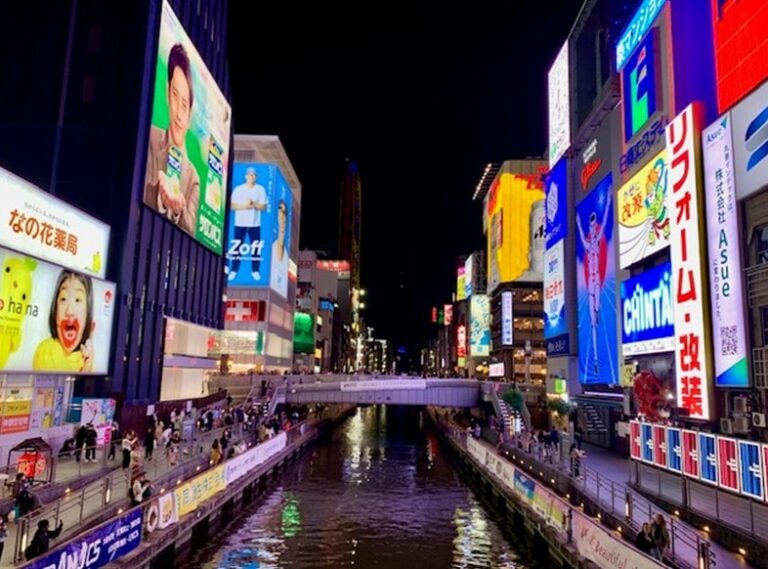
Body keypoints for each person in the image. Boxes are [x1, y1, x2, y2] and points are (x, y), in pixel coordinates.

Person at [143, 43, 200, 234]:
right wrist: (161, 195)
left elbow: (191, 228)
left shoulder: (193, 178)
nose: (179, 115)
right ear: (167, 93)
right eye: (175, 96)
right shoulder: (150, 138)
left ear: (190, 115)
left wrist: (178, 209)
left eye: (185, 105)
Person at [576, 190, 612, 377]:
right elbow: (580, 233)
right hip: (590, 283)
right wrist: (577, 223)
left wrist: (608, 201)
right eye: (590, 226)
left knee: (597, 308)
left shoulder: (596, 242)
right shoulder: (587, 244)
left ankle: (597, 313)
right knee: (591, 322)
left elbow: (605, 222)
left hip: (597, 280)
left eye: (593, 225)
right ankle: (596, 361)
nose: (592, 228)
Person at [33, 271, 95, 372]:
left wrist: (87, 367)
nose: (70, 311)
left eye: (78, 300)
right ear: (55, 307)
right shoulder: (45, 352)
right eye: (63, 299)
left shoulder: (87, 358)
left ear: (88, 312)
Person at [228, 167, 267, 282]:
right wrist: (245, 206)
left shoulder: (260, 189)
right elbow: (232, 205)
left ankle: (255, 270)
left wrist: (254, 204)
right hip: (240, 223)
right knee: (237, 248)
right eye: (250, 175)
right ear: (246, 176)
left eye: (254, 175)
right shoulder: (238, 189)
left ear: (256, 177)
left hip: (255, 224)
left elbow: (264, 207)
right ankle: (234, 270)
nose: (251, 177)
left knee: (256, 248)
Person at [270, 200, 290, 297]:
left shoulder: (286, 253)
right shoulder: (270, 248)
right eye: (280, 215)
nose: (283, 219)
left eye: (284, 214)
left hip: (278, 296)